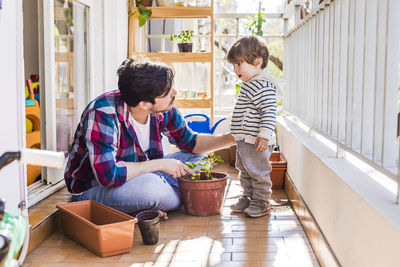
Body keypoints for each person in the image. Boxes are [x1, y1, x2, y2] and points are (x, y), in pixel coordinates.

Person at [64, 57, 235, 219]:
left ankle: (154, 201)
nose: (174, 92)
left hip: (142, 174)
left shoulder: (164, 108)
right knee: (152, 189)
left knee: (199, 160)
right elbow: (108, 176)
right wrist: (160, 164)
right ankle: (164, 198)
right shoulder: (103, 113)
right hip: (94, 188)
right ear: (144, 104)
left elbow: (192, 143)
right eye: (168, 92)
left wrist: (233, 138)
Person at [227, 35, 280, 218]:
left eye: (238, 65)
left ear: (257, 62)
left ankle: (262, 201)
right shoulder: (251, 84)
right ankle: (248, 197)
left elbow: (269, 112)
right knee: (245, 170)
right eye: (233, 65)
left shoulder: (263, 86)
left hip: (256, 141)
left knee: (258, 172)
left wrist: (264, 136)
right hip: (245, 140)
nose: (235, 70)